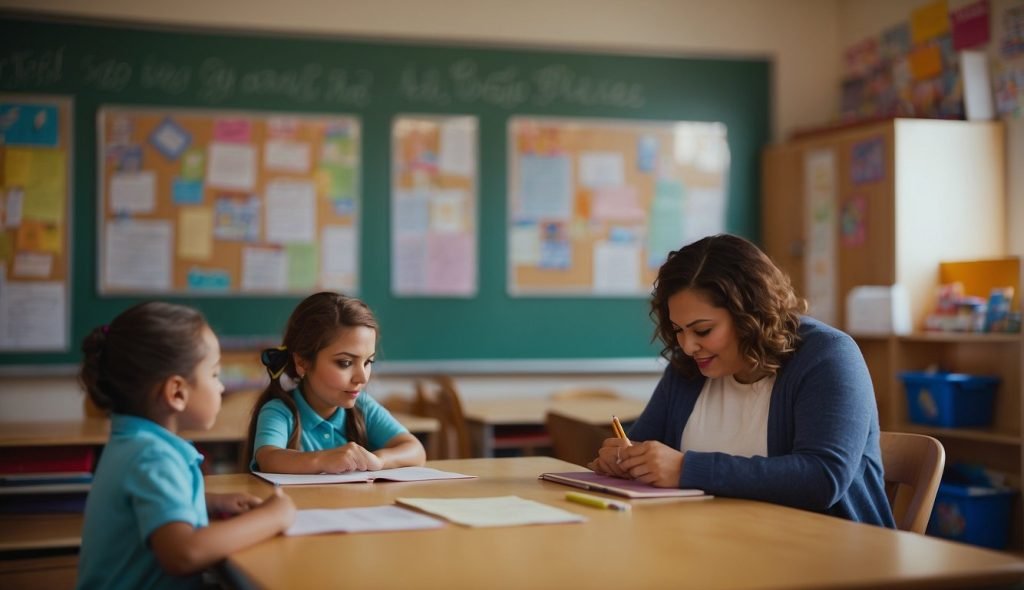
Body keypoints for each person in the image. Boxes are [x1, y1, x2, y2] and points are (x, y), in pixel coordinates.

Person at [589, 234, 895, 527]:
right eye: (678, 329)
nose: (687, 345)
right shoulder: (690, 368)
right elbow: (642, 445)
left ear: (751, 315)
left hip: (827, 556)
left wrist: (685, 469)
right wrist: (623, 459)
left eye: (703, 330)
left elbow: (822, 478)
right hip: (715, 543)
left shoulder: (827, 356)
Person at [76, 302, 296, 590]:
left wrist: (208, 500)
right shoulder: (153, 456)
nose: (220, 387)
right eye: (215, 374)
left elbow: (143, 502)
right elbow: (183, 554)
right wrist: (273, 517)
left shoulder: (131, 442)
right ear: (177, 392)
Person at [247, 292, 425, 473]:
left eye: (368, 362)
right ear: (302, 363)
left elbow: (415, 450)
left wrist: (377, 460)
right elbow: (268, 458)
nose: (362, 378)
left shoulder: (364, 408)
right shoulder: (280, 411)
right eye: (345, 363)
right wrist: (323, 459)